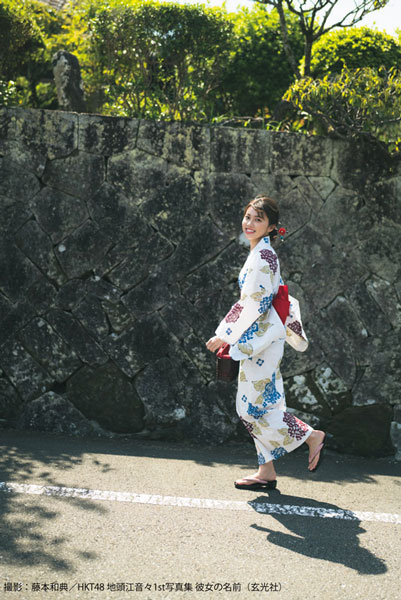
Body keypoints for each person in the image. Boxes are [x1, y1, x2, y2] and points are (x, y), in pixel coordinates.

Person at [206, 195, 325, 490]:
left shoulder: (262, 257)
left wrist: (225, 334)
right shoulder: (262, 253)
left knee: (251, 408)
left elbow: (254, 304)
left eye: (258, 219)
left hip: (262, 340)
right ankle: (266, 471)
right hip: (263, 339)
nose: (250, 223)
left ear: (271, 226)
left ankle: (310, 435)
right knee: (264, 404)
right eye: (248, 217)